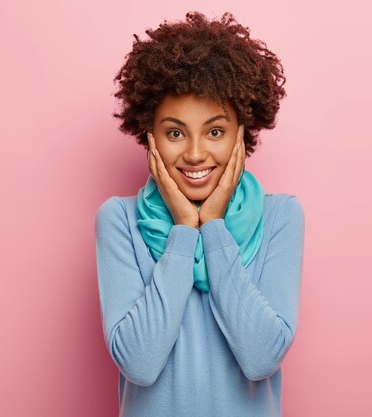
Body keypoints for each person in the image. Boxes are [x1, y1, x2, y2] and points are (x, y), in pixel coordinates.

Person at [95, 11, 305, 417]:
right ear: (148, 135)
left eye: (215, 131)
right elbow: (139, 363)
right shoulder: (119, 220)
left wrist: (213, 227)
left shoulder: (281, 217)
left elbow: (261, 357)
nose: (194, 154)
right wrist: (183, 232)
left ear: (242, 132)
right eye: (175, 133)